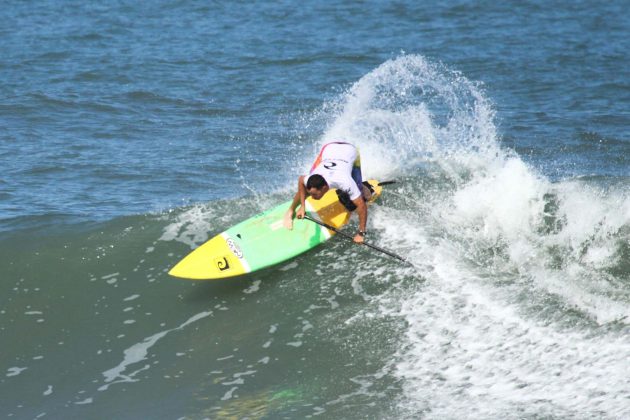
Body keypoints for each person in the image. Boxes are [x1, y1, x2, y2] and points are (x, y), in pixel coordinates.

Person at [283, 141, 372, 244]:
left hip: (351, 151)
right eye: (312, 194)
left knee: (359, 197)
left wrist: (361, 233)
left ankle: (361, 187)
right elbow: (301, 180)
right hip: (329, 148)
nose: (312, 197)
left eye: (315, 194)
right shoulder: (310, 179)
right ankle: (290, 210)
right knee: (306, 189)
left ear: (325, 188)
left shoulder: (344, 182)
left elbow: (362, 206)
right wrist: (302, 206)